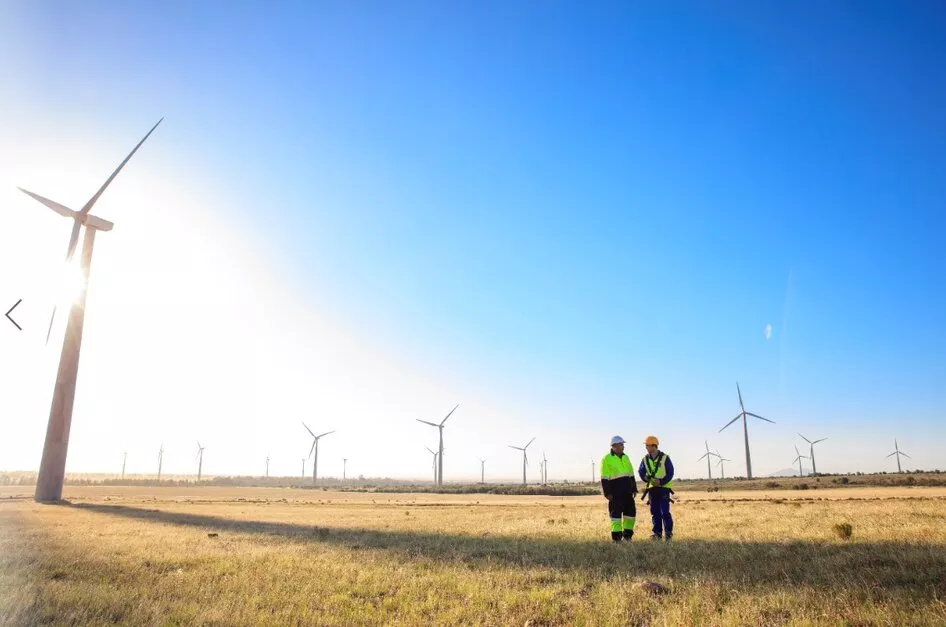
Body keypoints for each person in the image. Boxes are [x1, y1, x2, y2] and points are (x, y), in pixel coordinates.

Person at [600, 435, 637, 542]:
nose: (623, 447)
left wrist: (634, 488)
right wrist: (607, 493)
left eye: (623, 444)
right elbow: (604, 477)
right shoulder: (606, 459)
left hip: (627, 493)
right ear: (614, 446)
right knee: (616, 517)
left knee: (630, 515)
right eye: (621, 445)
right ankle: (616, 539)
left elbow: (631, 474)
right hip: (615, 494)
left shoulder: (626, 457)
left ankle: (628, 536)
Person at [638, 435, 675, 541]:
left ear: (653, 445)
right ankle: (657, 534)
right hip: (652, 489)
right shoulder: (645, 459)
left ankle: (668, 534)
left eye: (647, 446)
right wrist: (647, 479)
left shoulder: (665, 458)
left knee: (665, 512)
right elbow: (641, 472)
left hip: (663, 489)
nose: (646, 448)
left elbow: (670, 472)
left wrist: (660, 481)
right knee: (654, 512)